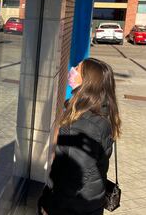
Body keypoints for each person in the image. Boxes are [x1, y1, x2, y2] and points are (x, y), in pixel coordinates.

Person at [39, 58, 121, 215]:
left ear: (87, 83)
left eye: (77, 68)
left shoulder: (84, 124)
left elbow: (74, 178)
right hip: (90, 201)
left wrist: (49, 205)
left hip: (72, 207)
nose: (73, 69)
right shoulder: (101, 111)